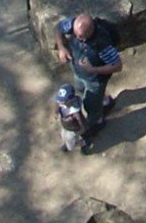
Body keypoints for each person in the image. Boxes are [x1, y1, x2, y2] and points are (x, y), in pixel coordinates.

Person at [53, 12, 123, 150]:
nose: (77, 38)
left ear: (90, 31)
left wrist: (93, 69)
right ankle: (105, 101)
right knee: (80, 90)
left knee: (91, 106)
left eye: (81, 37)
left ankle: (97, 122)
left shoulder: (103, 44)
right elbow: (58, 28)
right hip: (79, 74)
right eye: (75, 35)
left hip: (94, 80)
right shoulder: (73, 25)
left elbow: (117, 66)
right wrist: (62, 48)